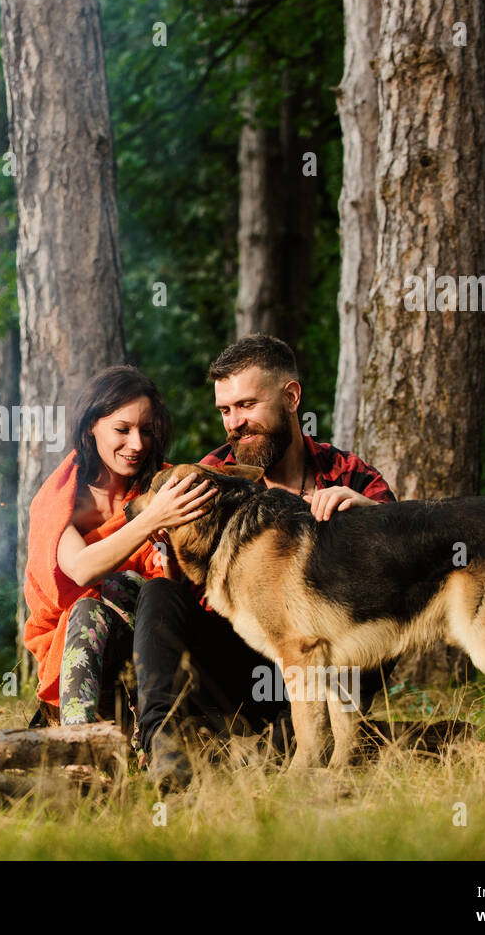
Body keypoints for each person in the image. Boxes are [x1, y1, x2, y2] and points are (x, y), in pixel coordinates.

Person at [132, 334, 397, 789]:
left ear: (291, 397)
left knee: (376, 609)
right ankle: (164, 748)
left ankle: (284, 748)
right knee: (158, 593)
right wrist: (165, 540)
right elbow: (182, 592)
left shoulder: (350, 475)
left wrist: (370, 516)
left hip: (328, 659)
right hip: (239, 661)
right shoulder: (208, 477)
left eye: (247, 405)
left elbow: (405, 562)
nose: (235, 423)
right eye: (226, 410)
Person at [23, 365, 216, 733]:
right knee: (89, 604)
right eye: (122, 430)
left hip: (154, 641)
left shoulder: (164, 485)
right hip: (77, 642)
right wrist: (150, 519)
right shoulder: (61, 497)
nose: (138, 444)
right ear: (91, 425)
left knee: (125, 587)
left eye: (146, 430)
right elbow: (79, 570)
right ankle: (80, 744)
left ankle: (142, 729)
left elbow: (174, 591)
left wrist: (168, 556)